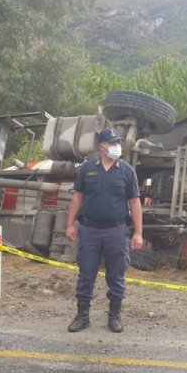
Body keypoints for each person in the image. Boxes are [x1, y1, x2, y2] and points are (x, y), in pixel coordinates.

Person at [65, 128, 143, 333]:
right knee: (86, 274)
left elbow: (135, 203)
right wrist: (70, 224)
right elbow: (77, 197)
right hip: (89, 230)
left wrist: (138, 232)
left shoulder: (127, 171)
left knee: (116, 274)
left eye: (118, 142)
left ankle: (114, 316)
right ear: (102, 146)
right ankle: (82, 316)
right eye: (113, 143)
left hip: (116, 231)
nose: (117, 146)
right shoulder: (87, 169)